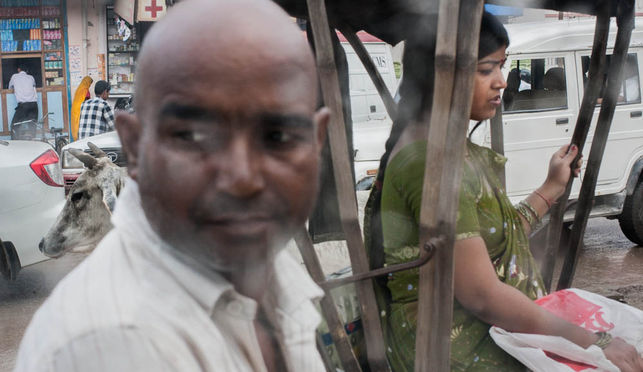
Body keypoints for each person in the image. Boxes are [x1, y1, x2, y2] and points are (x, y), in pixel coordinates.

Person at [14, 0, 330, 371]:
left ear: (317, 141)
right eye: (194, 136)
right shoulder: (104, 344)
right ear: (134, 146)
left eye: (277, 136)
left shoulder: (273, 274)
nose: (242, 178)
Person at [365, 12, 643, 372]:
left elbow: (497, 240)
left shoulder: (449, 149)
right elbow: (482, 296)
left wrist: (551, 187)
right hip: (453, 342)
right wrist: (593, 341)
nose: (501, 82)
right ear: (442, 73)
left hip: (486, 328)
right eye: (486, 70)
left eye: (503, 67)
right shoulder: (426, 164)